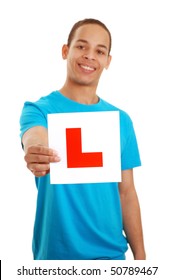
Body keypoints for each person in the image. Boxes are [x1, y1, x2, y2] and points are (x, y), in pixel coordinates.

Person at [20, 18, 146, 260]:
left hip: (111, 258)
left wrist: (140, 259)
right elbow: (35, 136)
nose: (90, 55)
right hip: (55, 259)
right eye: (81, 46)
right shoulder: (39, 110)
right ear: (65, 50)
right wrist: (37, 149)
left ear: (107, 61)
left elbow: (126, 192)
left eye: (100, 51)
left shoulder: (121, 120)